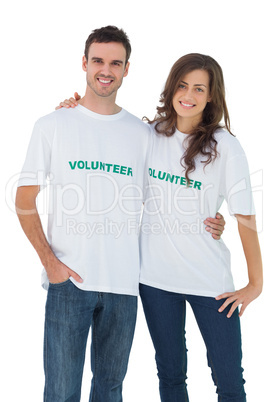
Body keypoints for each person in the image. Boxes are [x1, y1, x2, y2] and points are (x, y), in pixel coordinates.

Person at [17, 26, 224, 402]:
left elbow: (170, 190)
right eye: (98, 60)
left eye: (116, 62)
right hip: (69, 282)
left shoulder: (144, 134)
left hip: (124, 286)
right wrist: (51, 263)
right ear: (84, 63)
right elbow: (24, 198)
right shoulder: (52, 125)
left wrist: (214, 215)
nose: (105, 70)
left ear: (127, 69)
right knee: (61, 392)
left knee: (110, 390)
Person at [138, 54, 263, 401]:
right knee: (171, 376)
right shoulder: (149, 135)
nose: (188, 94)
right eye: (182, 85)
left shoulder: (226, 147)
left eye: (199, 88)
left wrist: (255, 284)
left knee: (228, 380)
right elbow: (105, 131)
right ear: (171, 88)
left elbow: (246, 217)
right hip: (154, 280)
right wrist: (72, 107)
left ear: (211, 96)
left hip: (211, 283)